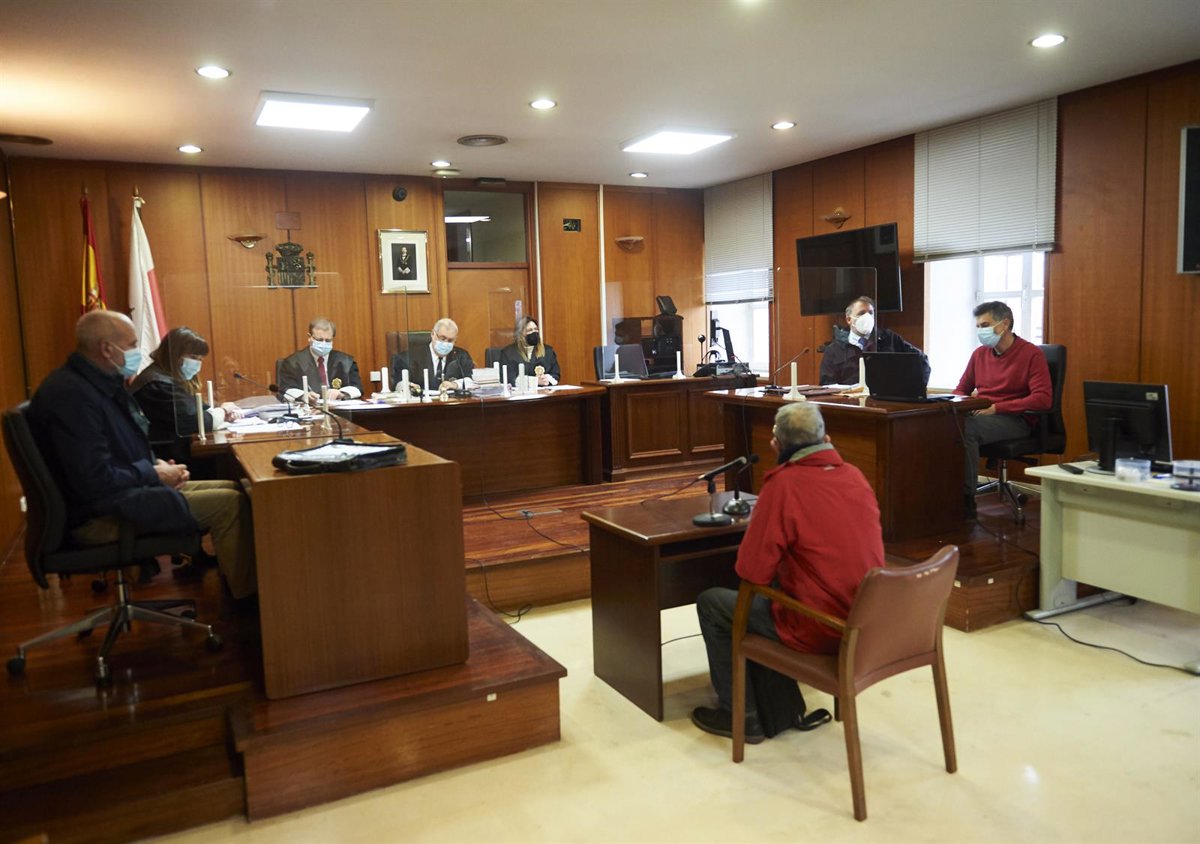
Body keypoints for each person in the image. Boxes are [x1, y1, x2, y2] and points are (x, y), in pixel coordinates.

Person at [28, 311, 256, 599]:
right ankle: (247, 599)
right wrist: (153, 472)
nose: (138, 351)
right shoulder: (73, 396)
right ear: (107, 348)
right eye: (132, 344)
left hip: (125, 492)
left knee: (234, 488)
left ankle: (236, 580)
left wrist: (155, 464)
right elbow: (94, 478)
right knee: (230, 504)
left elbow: (119, 446)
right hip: (101, 515)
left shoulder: (97, 385)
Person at [692, 402, 884, 742]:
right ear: (827, 439)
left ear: (776, 445)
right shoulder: (855, 475)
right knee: (775, 586)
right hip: (867, 622)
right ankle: (773, 703)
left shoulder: (784, 485)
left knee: (712, 602)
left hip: (819, 626)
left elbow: (751, 571)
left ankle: (740, 716)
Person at [954, 300, 1052, 518]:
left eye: (985, 325)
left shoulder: (1031, 354)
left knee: (966, 429)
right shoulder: (979, 354)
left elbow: (1043, 399)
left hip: (1017, 419)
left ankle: (965, 501)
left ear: (1004, 324)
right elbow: (961, 389)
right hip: (983, 415)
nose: (981, 331)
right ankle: (941, 494)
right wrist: (962, 405)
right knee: (945, 425)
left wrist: (997, 408)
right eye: (978, 326)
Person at [130, 326, 243, 465]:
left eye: (200, 359)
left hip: (178, 453)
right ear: (173, 354)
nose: (198, 364)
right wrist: (223, 411)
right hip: (169, 460)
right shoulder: (158, 384)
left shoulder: (166, 378)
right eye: (193, 357)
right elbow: (195, 421)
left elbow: (196, 408)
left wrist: (222, 414)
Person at [819, 295, 930, 386]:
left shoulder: (889, 339)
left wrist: (914, 389)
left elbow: (921, 360)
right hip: (849, 403)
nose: (867, 317)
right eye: (861, 313)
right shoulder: (834, 350)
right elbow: (827, 384)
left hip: (886, 401)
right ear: (849, 319)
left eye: (871, 313)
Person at [278, 317, 362, 403]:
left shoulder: (346, 362)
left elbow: (357, 388)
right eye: (319, 340)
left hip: (338, 407)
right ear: (309, 337)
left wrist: (341, 393)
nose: (323, 344)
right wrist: (303, 395)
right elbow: (285, 390)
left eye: (328, 340)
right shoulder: (292, 363)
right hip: (307, 407)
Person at [391, 317, 476, 390]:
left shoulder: (461, 355)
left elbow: (470, 381)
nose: (446, 343)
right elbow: (398, 384)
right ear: (433, 334)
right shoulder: (409, 357)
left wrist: (455, 385)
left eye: (450, 340)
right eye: (442, 338)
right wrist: (409, 387)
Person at [497, 316, 560, 386]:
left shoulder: (548, 351)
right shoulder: (508, 353)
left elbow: (555, 374)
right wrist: (534, 381)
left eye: (536, 329)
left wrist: (546, 379)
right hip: (520, 391)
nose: (534, 332)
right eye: (529, 330)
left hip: (544, 391)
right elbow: (508, 378)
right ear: (520, 334)